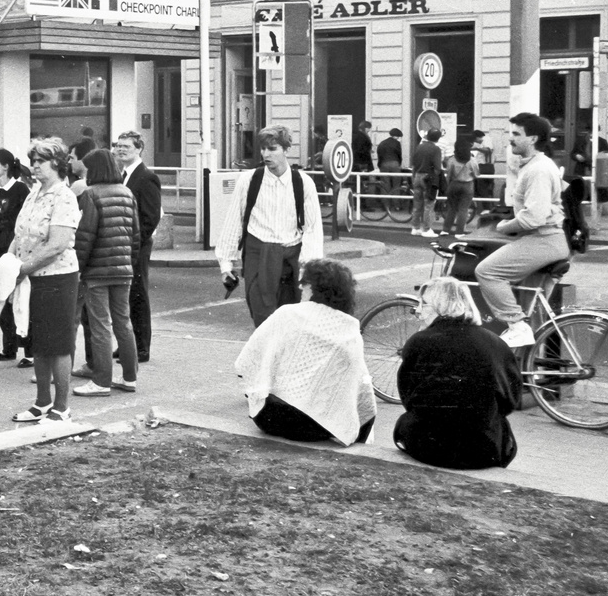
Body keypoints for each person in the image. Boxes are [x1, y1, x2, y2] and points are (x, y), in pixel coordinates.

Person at [236, 258, 374, 445]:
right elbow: (360, 390)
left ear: (317, 287)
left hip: (271, 418)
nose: (300, 288)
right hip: (316, 427)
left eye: (305, 283)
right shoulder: (349, 330)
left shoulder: (287, 314)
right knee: (364, 410)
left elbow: (246, 360)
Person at [393, 276, 520, 469]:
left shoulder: (418, 342)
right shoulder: (496, 344)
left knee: (405, 423)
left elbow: (409, 399)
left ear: (443, 306)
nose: (417, 310)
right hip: (483, 450)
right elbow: (510, 400)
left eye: (424, 304)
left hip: (429, 446)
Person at [215, 125, 324, 328]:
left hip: (290, 259)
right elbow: (234, 221)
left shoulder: (304, 183)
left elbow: (312, 229)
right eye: (263, 149)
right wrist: (226, 264)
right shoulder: (249, 181)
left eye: (272, 149)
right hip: (259, 256)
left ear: (286, 150)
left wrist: (309, 269)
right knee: (263, 319)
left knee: (291, 319)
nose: (266, 154)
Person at [476, 113, 571, 347]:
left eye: (517, 134)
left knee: (487, 271)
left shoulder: (537, 169)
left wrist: (503, 227)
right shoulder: (536, 165)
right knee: (535, 314)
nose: (511, 139)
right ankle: (532, 374)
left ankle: (516, 326)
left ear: (533, 138)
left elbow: (533, 218)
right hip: (549, 241)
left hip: (543, 239)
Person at [9, 138, 83, 424]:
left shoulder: (65, 196)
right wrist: (9, 263)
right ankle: (41, 402)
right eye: (33, 160)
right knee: (38, 342)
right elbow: (20, 233)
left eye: (40, 161)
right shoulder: (34, 193)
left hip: (57, 277)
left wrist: (23, 268)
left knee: (59, 344)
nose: (34, 166)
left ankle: (61, 407)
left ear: (57, 163)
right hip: (32, 275)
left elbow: (57, 244)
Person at [71, 149, 139, 397]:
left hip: (97, 271)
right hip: (123, 270)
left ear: (95, 170)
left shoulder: (91, 195)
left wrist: (79, 269)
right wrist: (129, 263)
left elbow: (85, 237)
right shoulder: (127, 193)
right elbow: (136, 236)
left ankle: (101, 382)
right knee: (123, 322)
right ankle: (130, 378)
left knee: (101, 326)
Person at [0, 148, 32, 366]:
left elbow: (24, 221)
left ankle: (29, 352)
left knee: (20, 301)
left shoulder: (21, 190)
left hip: (12, 253)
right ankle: (8, 348)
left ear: (5, 166)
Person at [115, 131, 160, 364]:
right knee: (124, 295)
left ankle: (142, 347)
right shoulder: (121, 175)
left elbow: (150, 218)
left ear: (139, 149)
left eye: (127, 147)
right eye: (118, 146)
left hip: (137, 246)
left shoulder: (146, 177)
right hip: (123, 245)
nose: (121, 150)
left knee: (138, 294)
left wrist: (133, 245)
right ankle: (126, 344)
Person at [410, 128, 445, 238]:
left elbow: (414, 164)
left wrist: (414, 176)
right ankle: (426, 229)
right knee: (429, 204)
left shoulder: (419, 147)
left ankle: (415, 227)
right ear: (438, 138)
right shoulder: (436, 149)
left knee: (417, 204)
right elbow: (437, 167)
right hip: (429, 177)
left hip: (417, 176)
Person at [442, 138, 479, 236]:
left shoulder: (452, 160)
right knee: (463, 209)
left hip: (454, 184)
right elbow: (477, 174)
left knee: (451, 208)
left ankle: (445, 230)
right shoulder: (472, 160)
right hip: (468, 185)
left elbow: (448, 174)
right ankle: (459, 232)